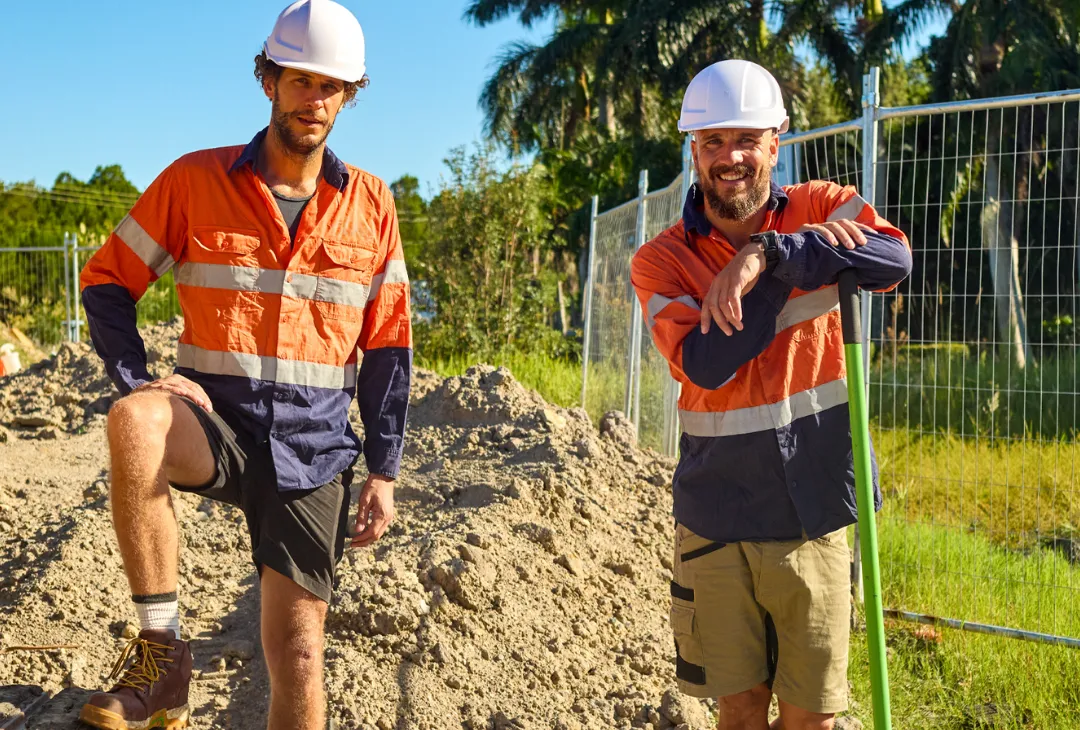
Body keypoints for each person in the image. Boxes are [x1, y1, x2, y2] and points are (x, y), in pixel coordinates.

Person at [76, 1, 412, 728]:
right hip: (216, 424)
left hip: (312, 450)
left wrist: (384, 469)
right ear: (268, 80)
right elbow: (106, 281)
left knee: (297, 654)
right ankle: (161, 656)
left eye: (330, 86)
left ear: (348, 94)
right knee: (135, 420)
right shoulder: (194, 181)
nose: (313, 100)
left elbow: (388, 343)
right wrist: (139, 377)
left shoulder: (371, 204)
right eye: (299, 80)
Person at [631, 60, 911, 730]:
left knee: (812, 715)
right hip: (718, 512)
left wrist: (765, 255)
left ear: (775, 142)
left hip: (815, 507)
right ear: (693, 151)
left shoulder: (821, 203)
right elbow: (705, 361)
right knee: (741, 707)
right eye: (713, 142)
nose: (731, 157)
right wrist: (802, 263)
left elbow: (893, 261)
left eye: (746, 140)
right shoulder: (660, 259)